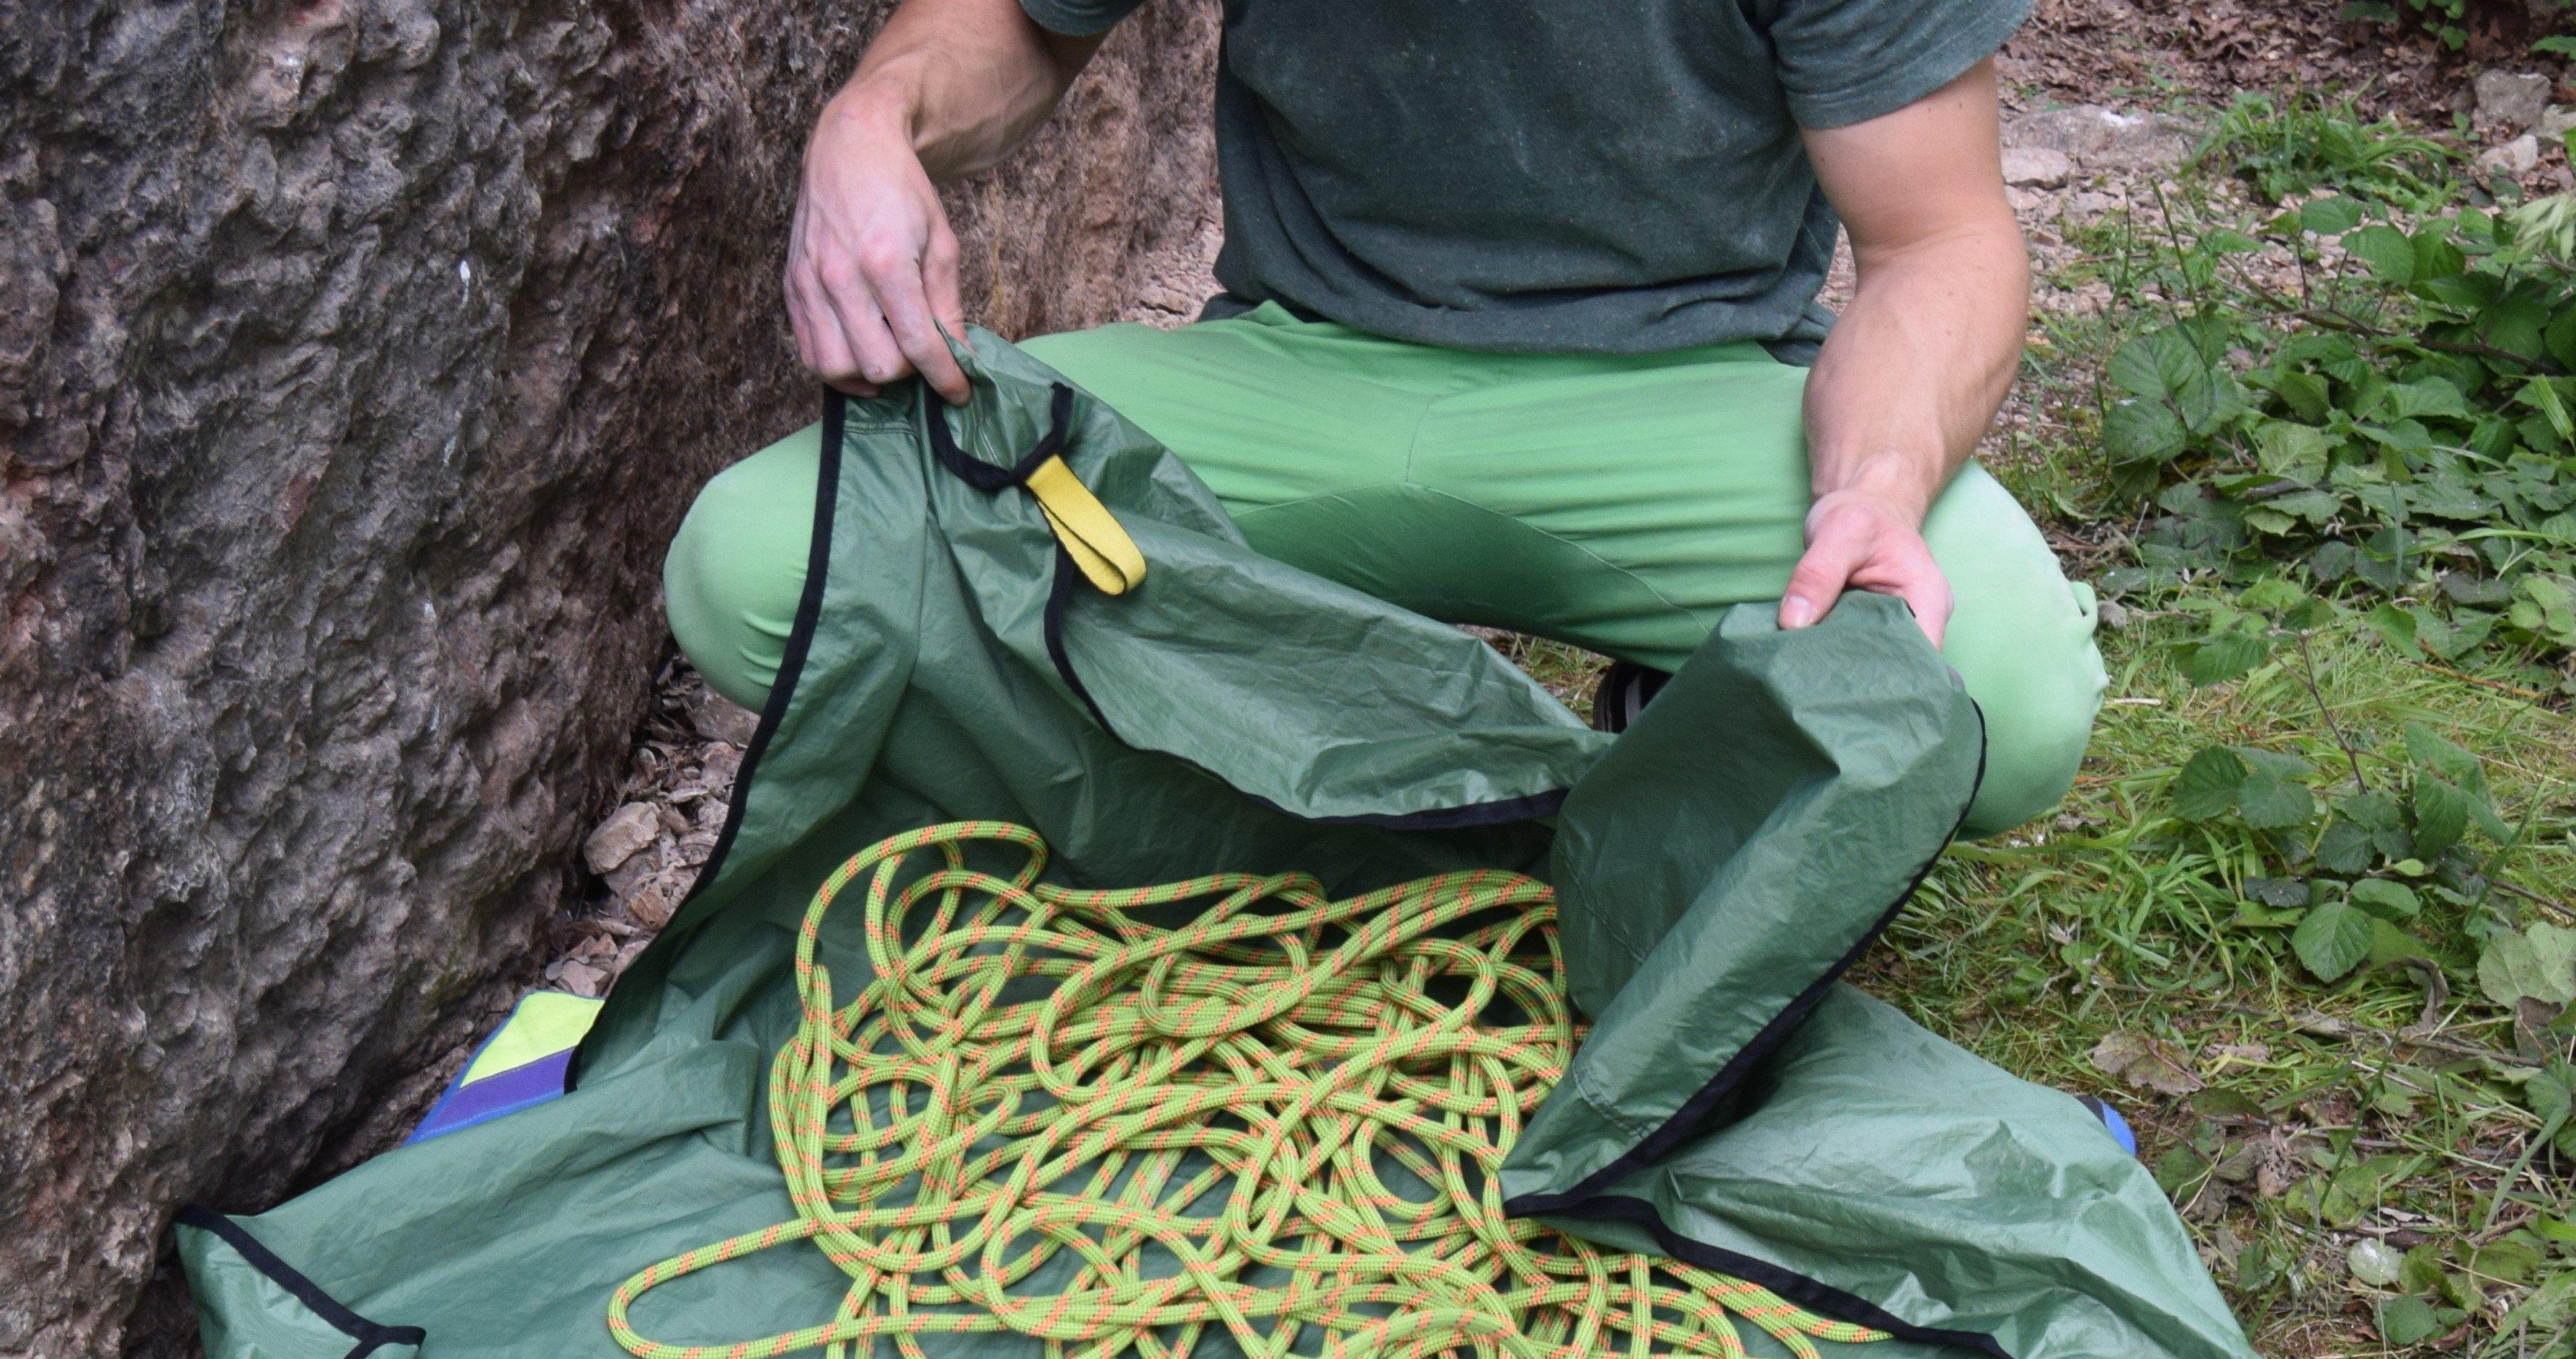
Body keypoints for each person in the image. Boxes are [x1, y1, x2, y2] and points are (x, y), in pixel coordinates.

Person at [664, 0, 2103, 836]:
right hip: (1297, 374)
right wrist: (872, 114)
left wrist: (1874, 477)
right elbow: (1002, 28)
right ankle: (1234, 789)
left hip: (1681, 386)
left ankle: (1671, 725)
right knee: (764, 571)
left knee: (1997, 697)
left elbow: (1939, 244)